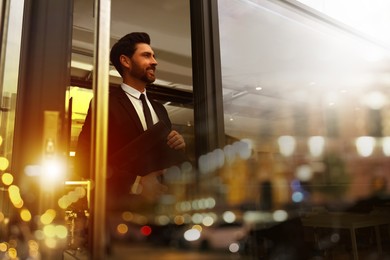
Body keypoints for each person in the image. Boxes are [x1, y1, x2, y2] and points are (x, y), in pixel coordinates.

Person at [75, 32, 186, 207]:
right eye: (146, 55)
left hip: (161, 209)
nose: (154, 62)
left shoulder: (160, 110)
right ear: (126, 61)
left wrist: (178, 145)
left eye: (153, 56)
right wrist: (136, 183)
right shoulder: (105, 104)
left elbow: (163, 159)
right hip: (119, 210)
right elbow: (83, 160)